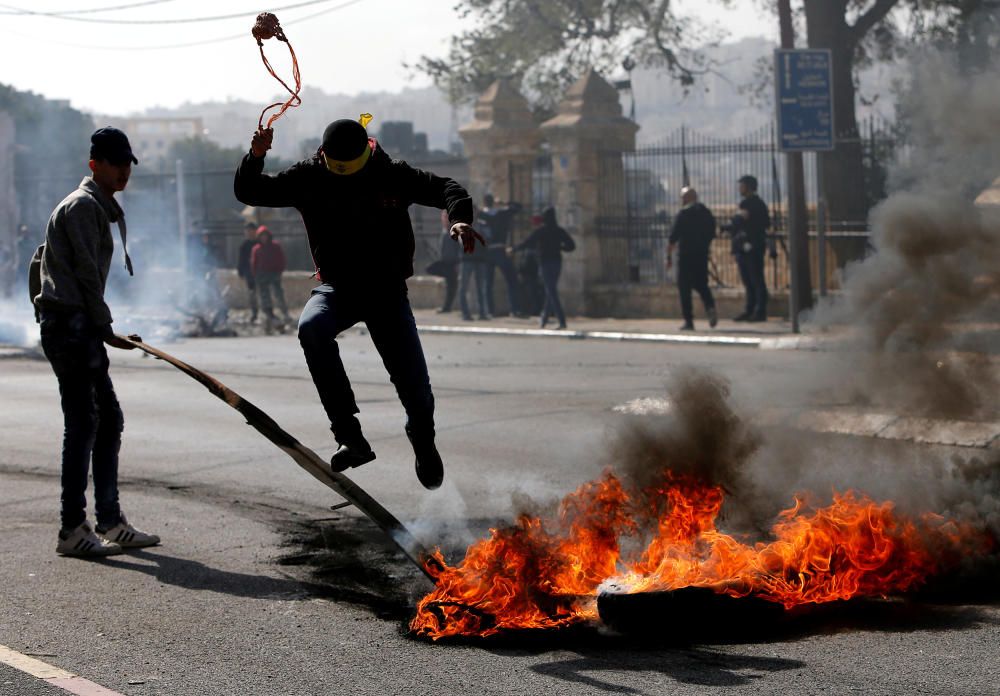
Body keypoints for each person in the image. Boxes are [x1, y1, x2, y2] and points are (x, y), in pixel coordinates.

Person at [234, 116, 483, 490]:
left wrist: (459, 219)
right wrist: (255, 155)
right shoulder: (309, 177)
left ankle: (423, 440)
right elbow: (251, 191)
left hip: (386, 291)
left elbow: (446, 187)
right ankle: (350, 436)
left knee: (415, 386)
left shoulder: (390, 173)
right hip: (338, 289)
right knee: (311, 328)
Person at [30, 127, 159, 557]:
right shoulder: (83, 207)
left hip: (76, 325)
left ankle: (109, 520)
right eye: (115, 162)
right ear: (94, 164)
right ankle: (73, 528)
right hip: (70, 327)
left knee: (106, 421)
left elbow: (53, 265)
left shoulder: (95, 207)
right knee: (85, 422)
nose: (124, 170)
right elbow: (86, 275)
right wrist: (106, 330)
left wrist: (101, 328)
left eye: (127, 163)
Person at [515, 207, 575, 329]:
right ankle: (544, 320)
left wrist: (513, 249)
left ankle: (562, 320)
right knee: (550, 291)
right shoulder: (559, 231)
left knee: (551, 291)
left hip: (545, 263)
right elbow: (572, 245)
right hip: (557, 263)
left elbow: (527, 242)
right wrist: (561, 248)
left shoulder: (541, 231)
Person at [667, 187, 718, 331]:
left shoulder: (683, 214)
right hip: (701, 254)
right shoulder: (706, 212)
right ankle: (710, 307)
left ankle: (689, 321)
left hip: (685, 256)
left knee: (684, 288)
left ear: (688, 198)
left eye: (683, 197)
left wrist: (668, 257)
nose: (681, 200)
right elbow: (712, 232)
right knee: (702, 285)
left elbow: (673, 237)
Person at [731, 174, 771, 322]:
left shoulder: (755, 204)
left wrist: (746, 221)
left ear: (748, 187)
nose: (739, 188)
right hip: (743, 247)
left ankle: (760, 311)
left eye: (742, 185)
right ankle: (750, 309)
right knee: (748, 281)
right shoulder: (745, 203)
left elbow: (764, 223)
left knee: (756, 280)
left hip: (753, 246)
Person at [478, 194, 523, 317]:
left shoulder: (481, 215)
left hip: (487, 251)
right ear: (493, 202)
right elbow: (518, 207)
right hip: (500, 250)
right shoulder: (502, 214)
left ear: (484, 203)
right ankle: (514, 309)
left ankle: (489, 311)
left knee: (487, 283)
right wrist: (504, 202)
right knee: (511, 280)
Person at [250, 225, 290, 326]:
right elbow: (254, 262)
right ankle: (269, 314)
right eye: (261, 236)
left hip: (274, 274)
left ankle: (285, 313)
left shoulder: (276, 246)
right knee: (264, 296)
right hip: (262, 275)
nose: (264, 238)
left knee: (278, 293)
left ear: (269, 236)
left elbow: (282, 259)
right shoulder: (256, 249)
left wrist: (279, 270)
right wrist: (255, 274)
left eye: (265, 235)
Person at [459, 208, 491, 321]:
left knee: (481, 287)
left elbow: (487, 240)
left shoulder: (483, 225)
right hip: (467, 259)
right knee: (463, 287)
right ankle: (465, 313)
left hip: (480, 259)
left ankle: (482, 313)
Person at [426, 209, 459, 313]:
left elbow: (458, 248)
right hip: (444, 262)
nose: (444, 220)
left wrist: (458, 263)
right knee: (429, 269)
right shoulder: (444, 231)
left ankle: (447, 308)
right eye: (443, 217)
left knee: (451, 286)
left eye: (446, 217)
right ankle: (446, 307)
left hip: (452, 263)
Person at [237, 220, 260, 323]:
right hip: (249, 273)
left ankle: (268, 313)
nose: (249, 232)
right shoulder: (244, 245)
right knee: (252, 294)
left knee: (264, 293)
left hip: (261, 273)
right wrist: (240, 271)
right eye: (247, 230)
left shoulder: (260, 243)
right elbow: (241, 260)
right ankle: (254, 313)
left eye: (251, 230)